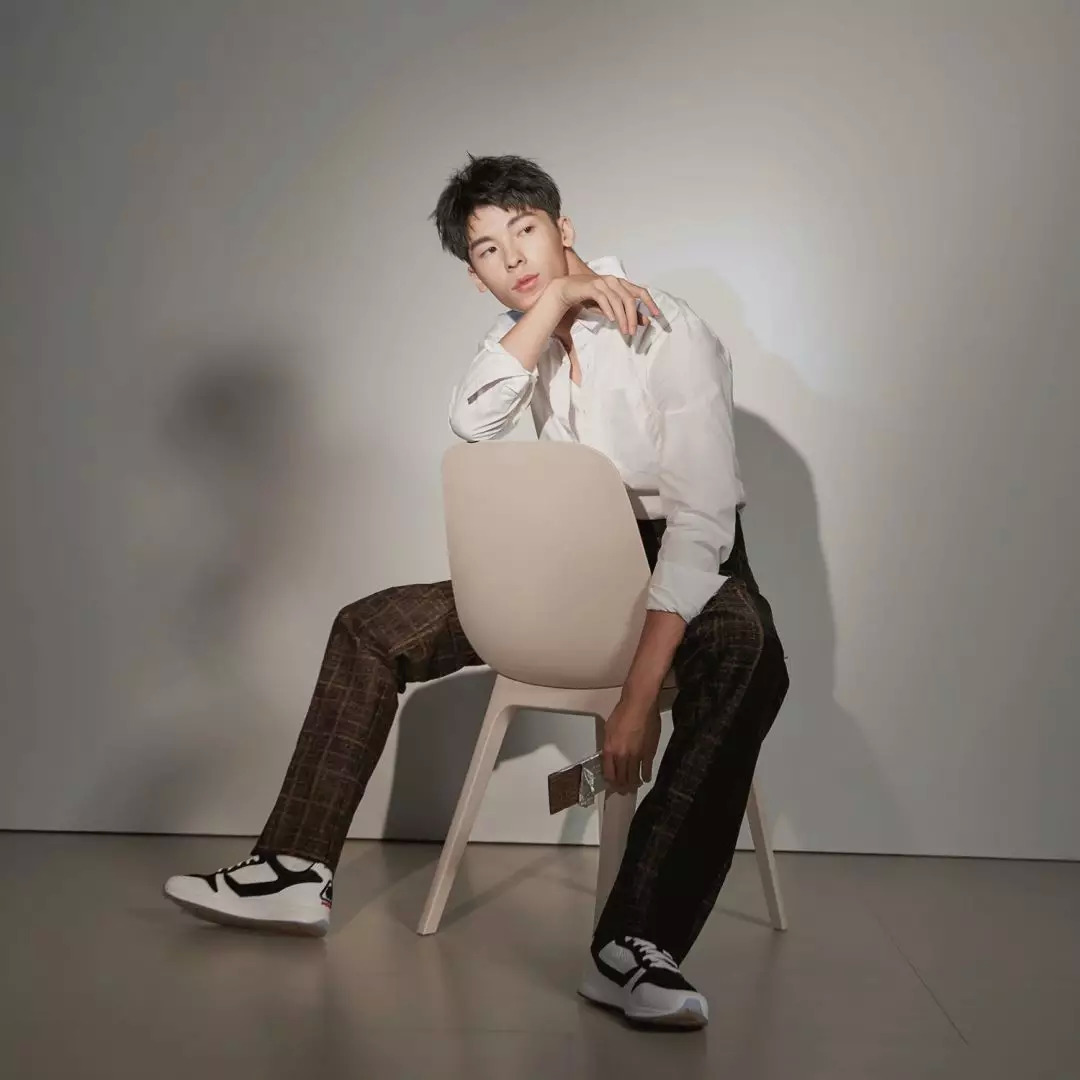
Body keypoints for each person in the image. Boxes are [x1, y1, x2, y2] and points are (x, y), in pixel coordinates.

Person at [163, 154, 789, 1030]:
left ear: (563, 227)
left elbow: (702, 526)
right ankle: (295, 871)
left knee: (751, 652)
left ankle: (633, 946)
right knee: (371, 627)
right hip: (575, 563)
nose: (514, 258)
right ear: (474, 273)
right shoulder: (524, 335)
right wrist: (555, 302)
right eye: (489, 250)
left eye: (526, 231)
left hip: (684, 558)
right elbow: (472, 420)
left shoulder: (664, 328)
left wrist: (637, 698)